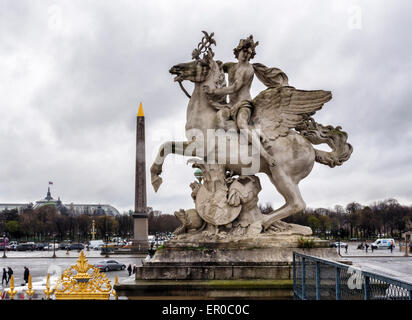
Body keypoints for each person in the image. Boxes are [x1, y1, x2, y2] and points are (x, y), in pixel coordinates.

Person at [204, 35, 277, 167]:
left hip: (244, 104)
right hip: (230, 106)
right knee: (217, 120)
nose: (246, 55)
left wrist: (213, 91)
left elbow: (234, 88)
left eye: (249, 53)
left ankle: (265, 155)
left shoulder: (248, 69)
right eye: (244, 51)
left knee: (242, 125)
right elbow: (217, 68)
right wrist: (209, 60)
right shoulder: (231, 66)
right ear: (238, 52)